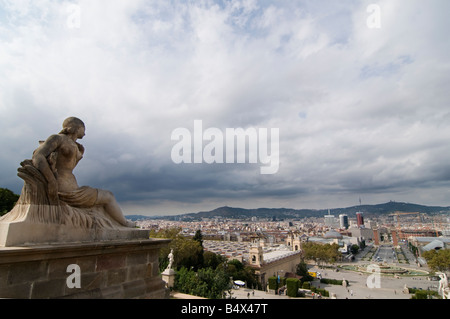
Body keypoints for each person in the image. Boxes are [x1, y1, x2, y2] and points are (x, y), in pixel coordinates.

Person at [32, 117, 135, 227]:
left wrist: (80, 154)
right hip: (64, 188)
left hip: (70, 186)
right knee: (108, 196)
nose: (84, 133)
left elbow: (68, 167)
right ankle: (124, 223)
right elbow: (38, 156)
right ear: (76, 128)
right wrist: (51, 180)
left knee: (106, 197)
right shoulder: (58, 138)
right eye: (83, 129)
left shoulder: (74, 145)